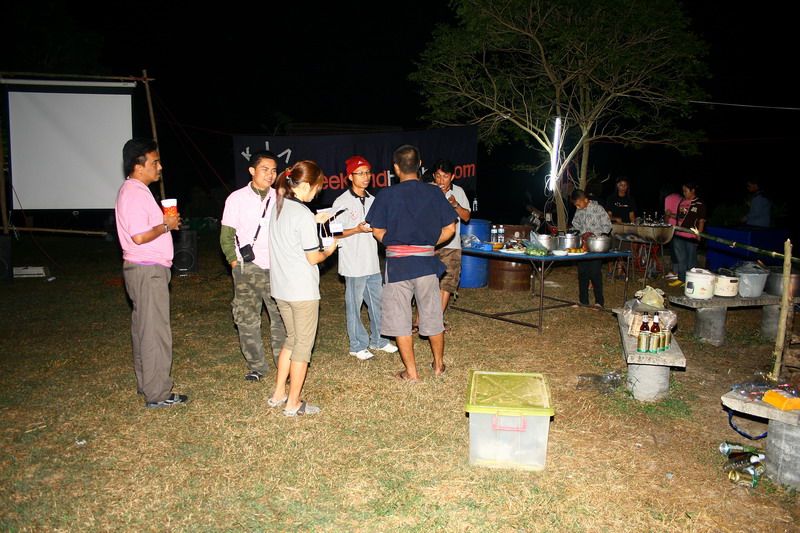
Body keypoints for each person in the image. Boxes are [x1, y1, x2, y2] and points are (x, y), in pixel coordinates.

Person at [366, 145, 456, 382]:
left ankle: (412, 373)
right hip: (426, 263)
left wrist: (395, 243)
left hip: (397, 266)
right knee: (433, 315)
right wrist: (427, 243)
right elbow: (450, 228)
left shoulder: (386, 194)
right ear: (420, 165)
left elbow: (377, 231)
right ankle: (438, 366)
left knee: (400, 320)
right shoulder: (434, 192)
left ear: (396, 168)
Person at [115, 138, 187, 408]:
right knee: (155, 332)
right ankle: (158, 394)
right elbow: (139, 236)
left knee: (143, 329)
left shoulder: (135, 190)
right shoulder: (134, 193)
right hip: (147, 269)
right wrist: (165, 225)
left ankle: (148, 384)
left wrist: (165, 224)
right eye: (154, 162)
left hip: (143, 268)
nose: (159, 167)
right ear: (139, 166)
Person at [267, 160, 337, 416]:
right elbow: (313, 257)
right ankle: (293, 403)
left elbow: (292, 237)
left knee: (292, 339)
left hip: (281, 288)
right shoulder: (302, 214)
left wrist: (314, 221)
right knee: (303, 346)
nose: (317, 193)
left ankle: (278, 393)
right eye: (317, 188)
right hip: (302, 291)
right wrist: (329, 250)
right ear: (306, 185)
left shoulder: (279, 207)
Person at [220, 151, 287, 382]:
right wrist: (234, 262)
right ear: (252, 170)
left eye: (274, 170)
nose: (270, 174)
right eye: (265, 169)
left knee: (281, 318)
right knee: (247, 319)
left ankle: (284, 365)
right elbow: (226, 235)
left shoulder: (281, 197)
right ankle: (256, 366)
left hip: (277, 268)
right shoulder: (236, 199)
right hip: (248, 268)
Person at [331, 156, 398, 360]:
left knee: (378, 303)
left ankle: (379, 340)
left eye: (368, 172)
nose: (366, 176)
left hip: (371, 262)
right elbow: (334, 232)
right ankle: (357, 345)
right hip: (353, 263)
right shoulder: (342, 201)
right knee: (354, 306)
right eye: (360, 173)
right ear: (350, 177)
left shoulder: (373, 200)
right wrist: (356, 229)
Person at [430, 159, 470, 330]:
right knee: (425, 283)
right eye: (438, 176)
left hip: (452, 245)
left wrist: (455, 204)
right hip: (429, 243)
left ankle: (436, 321)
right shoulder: (427, 190)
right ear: (434, 176)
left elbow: (466, 217)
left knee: (446, 283)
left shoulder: (458, 192)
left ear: (452, 177)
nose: (441, 180)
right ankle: (418, 321)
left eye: (445, 176)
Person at [570, 189, 612, 308]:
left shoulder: (598, 209)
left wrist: (598, 236)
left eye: (578, 204)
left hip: (596, 246)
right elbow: (575, 224)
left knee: (594, 273)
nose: (577, 207)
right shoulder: (579, 211)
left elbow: (607, 225)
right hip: (583, 246)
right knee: (582, 273)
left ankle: (599, 302)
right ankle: (583, 301)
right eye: (575, 205)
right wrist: (575, 233)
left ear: (585, 200)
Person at [668, 182, 707, 286]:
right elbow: (680, 217)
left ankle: (691, 281)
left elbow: (701, 220)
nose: (684, 193)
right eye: (683, 191)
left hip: (690, 236)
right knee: (680, 259)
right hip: (678, 234)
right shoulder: (682, 202)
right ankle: (681, 279)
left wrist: (699, 235)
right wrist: (670, 215)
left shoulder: (699, 204)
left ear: (692, 190)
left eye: (686, 191)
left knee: (691, 259)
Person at [605, 178, 637, 278]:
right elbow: (608, 216)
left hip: (626, 229)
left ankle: (619, 271)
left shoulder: (630, 199)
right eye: (621, 185)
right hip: (614, 229)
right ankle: (610, 270)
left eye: (625, 185)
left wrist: (633, 227)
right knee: (612, 249)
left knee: (624, 250)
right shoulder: (612, 198)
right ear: (617, 186)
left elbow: (632, 216)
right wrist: (615, 218)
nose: (623, 187)